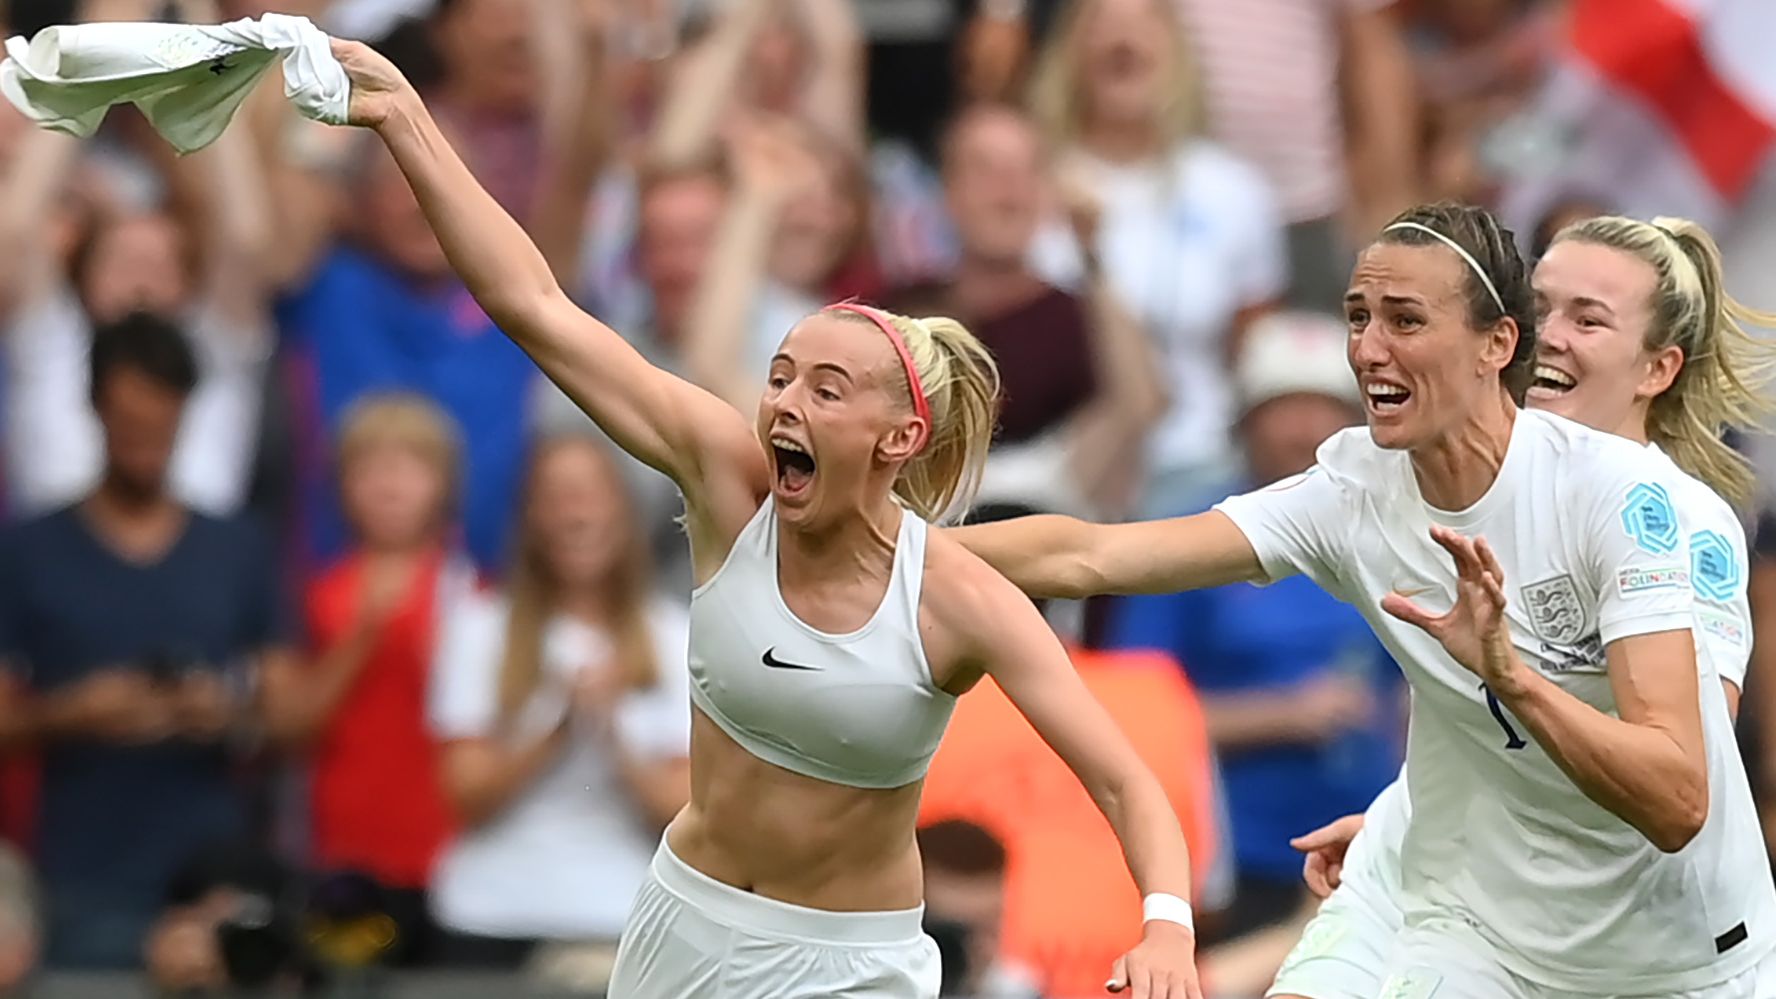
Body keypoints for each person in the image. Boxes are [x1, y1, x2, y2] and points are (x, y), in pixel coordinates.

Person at [323, 36, 1201, 999]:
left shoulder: (955, 599)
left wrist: (1165, 923)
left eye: (828, 390)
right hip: (683, 925)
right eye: (780, 376)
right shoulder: (728, 485)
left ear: (900, 437)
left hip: (848, 964)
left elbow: (1124, 781)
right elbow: (534, 304)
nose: (786, 404)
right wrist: (408, 120)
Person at [950, 201, 1776, 995]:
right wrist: (882, 548)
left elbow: (1674, 798)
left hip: (1670, 952)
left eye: (1587, 319)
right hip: (1470, 905)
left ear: (1496, 342)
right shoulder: (1356, 485)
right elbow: (1092, 553)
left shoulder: (1658, 512)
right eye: (1358, 316)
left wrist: (1511, 678)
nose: (1369, 349)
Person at [1268, 213, 1776, 999]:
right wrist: (1409, 819)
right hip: (1459, 887)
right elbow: (1478, 731)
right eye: (1540, 308)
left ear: (1656, 369)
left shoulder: (1685, 521)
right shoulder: (1466, 486)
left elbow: (1670, 772)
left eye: (1589, 318)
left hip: (1644, 941)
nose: (1552, 336)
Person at [0, 313, 294, 968]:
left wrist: (226, 711)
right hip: (79, 876)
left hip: (212, 873)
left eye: (161, 428)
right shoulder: (29, 551)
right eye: (131, 426)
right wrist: (71, 712)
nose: (146, 444)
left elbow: (289, 711)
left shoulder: (237, 548)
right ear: (96, 409)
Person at [1105, 312, 1399, 952]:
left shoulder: (1388, 536)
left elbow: (1410, 694)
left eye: (1324, 409)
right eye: (1283, 409)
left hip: (1370, 852)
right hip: (1229, 861)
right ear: (1244, 421)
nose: (1305, 430)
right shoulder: (1185, 540)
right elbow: (1122, 718)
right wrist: (1280, 716)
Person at [425, 435, 690, 980]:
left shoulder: (673, 635)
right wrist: (560, 726)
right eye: (557, 496)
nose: (576, 513)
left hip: (621, 915)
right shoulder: (479, 628)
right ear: (531, 517)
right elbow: (466, 793)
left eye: (590, 494)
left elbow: (683, 812)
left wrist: (611, 731)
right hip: (492, 915)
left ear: (621, 509)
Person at [259, 392, 471, 967]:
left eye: (411, 466)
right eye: (369, 467)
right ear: (340, 486)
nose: (390, 484)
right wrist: (362, 636)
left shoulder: (471, 596)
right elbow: (290, 724)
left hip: (448, 854)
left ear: (443, 484)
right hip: (340, 849)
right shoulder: (317, 593)